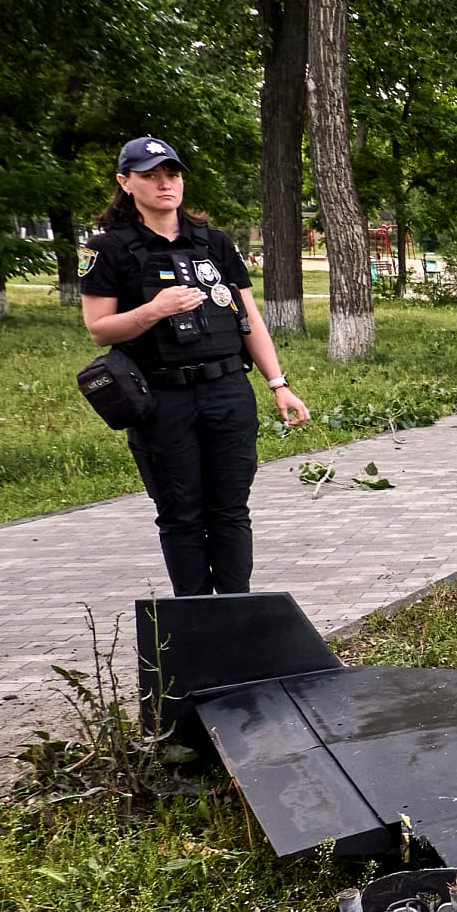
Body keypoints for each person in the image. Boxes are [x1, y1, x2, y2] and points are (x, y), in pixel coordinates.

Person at [80, 136, 310, 596]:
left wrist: (278, 384)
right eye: (150, 175)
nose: (165, 183)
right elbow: (100, 329)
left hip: (227, 390)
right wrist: (155, 310)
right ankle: (195, 620)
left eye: (172, 174)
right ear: (125, 183)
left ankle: (236, 610)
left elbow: (249, 319)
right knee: (181, 511)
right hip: (162, 398)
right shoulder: (109, 249)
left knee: (230, 508)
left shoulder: (215, 243)